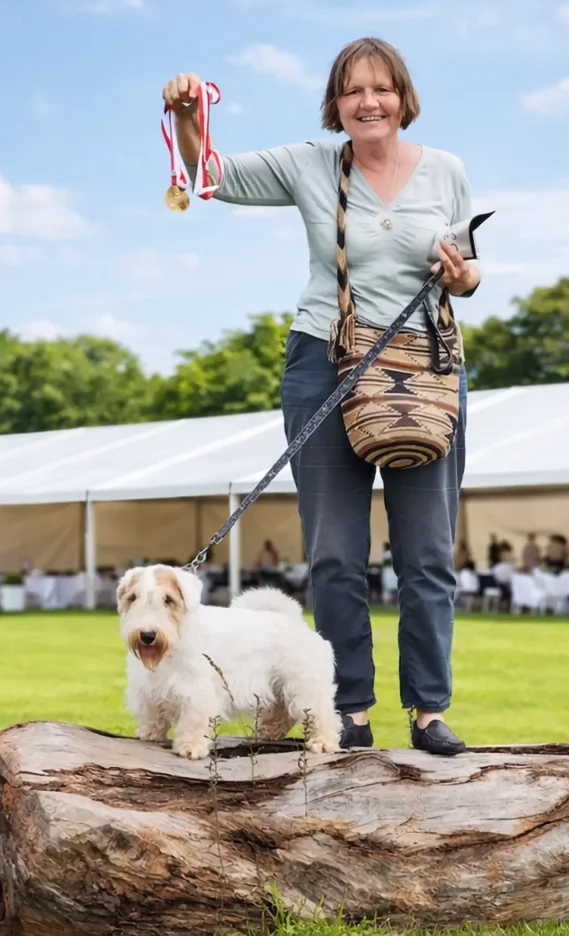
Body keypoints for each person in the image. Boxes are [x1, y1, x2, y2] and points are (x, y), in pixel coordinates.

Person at [162, 37, 481, 756]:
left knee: (426, 553)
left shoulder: (448, 172)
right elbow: (207, 175)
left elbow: (472, 273)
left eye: (382, 88)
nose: (369, 102)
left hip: (422, 367)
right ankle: (350, 710)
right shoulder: (310, 165)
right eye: (352, 90)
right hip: (325, 360)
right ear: (336, 103)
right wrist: (186, 114)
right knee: (337, 555)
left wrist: (461, 278)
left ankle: (429, 711)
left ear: (403, 96)